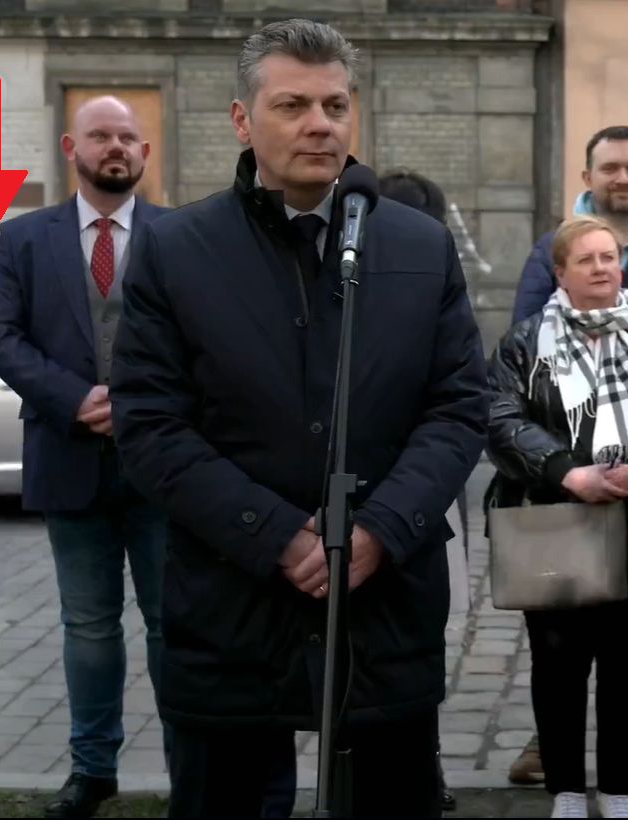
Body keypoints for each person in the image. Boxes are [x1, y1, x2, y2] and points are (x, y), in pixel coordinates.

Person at [109, 19, 489, 819]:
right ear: (243, 121)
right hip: (230, 601)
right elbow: (150, 424)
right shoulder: (178, 249)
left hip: (382, 600)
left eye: (335, 103)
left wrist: (378, 529)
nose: (320, 123)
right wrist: (275, 534)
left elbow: (457, 405)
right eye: (292, 105)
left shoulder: (418, 245)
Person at [486, 215, 628, 818]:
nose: (600, 268)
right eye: (585, 259)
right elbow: (501, 418)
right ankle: (565, 787)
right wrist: (566, 471)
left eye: (609, 257)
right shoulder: (524, 345)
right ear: (559, 272)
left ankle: (616, 788)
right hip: (554, 520)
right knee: (558, 661)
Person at [0, 96, 170, 819]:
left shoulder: (179, 235)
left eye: (127, 137)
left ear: (143, 152)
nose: (114, 147)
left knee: (169, 623)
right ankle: (94, 768)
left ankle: (191, 761)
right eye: (100, 136)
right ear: (71, 146)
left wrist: (136, 403)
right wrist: (73, 397)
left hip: (160, 462)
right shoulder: (23, 239)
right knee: (88, 625)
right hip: (67, 454)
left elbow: (203, 338)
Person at [377, 167, 462, 814]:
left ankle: (418, 773)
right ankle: (422, 774)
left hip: (409, 505)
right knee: (418, 654)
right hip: (421, 505)